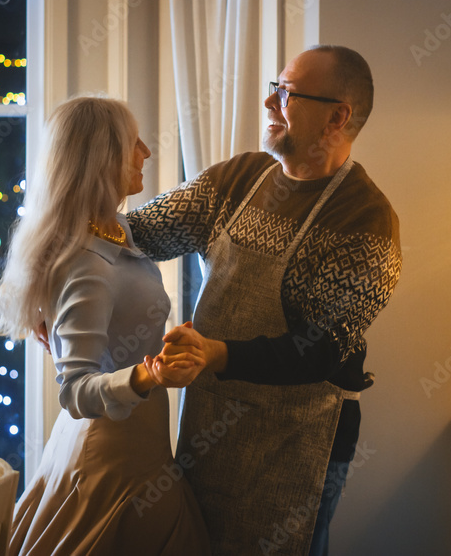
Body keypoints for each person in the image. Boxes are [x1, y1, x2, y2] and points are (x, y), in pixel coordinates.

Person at [129, 45, 402, 555]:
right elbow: (140, 234)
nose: (270, 103)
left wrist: (216, 353)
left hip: (298, 439)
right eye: (274, 88)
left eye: (287, 93)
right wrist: (48, 282)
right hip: (212, 421)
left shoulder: (364, 221)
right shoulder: (239, 178)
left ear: (336, 117)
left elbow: (320, 350)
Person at [0, 96, 211, 556]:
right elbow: (74, 391)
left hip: (136, 447)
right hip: (114, 459)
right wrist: (148, 374)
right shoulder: (89, 265)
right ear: (101, 156)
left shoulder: (114, 234)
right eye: (133, 142)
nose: (147, 152)